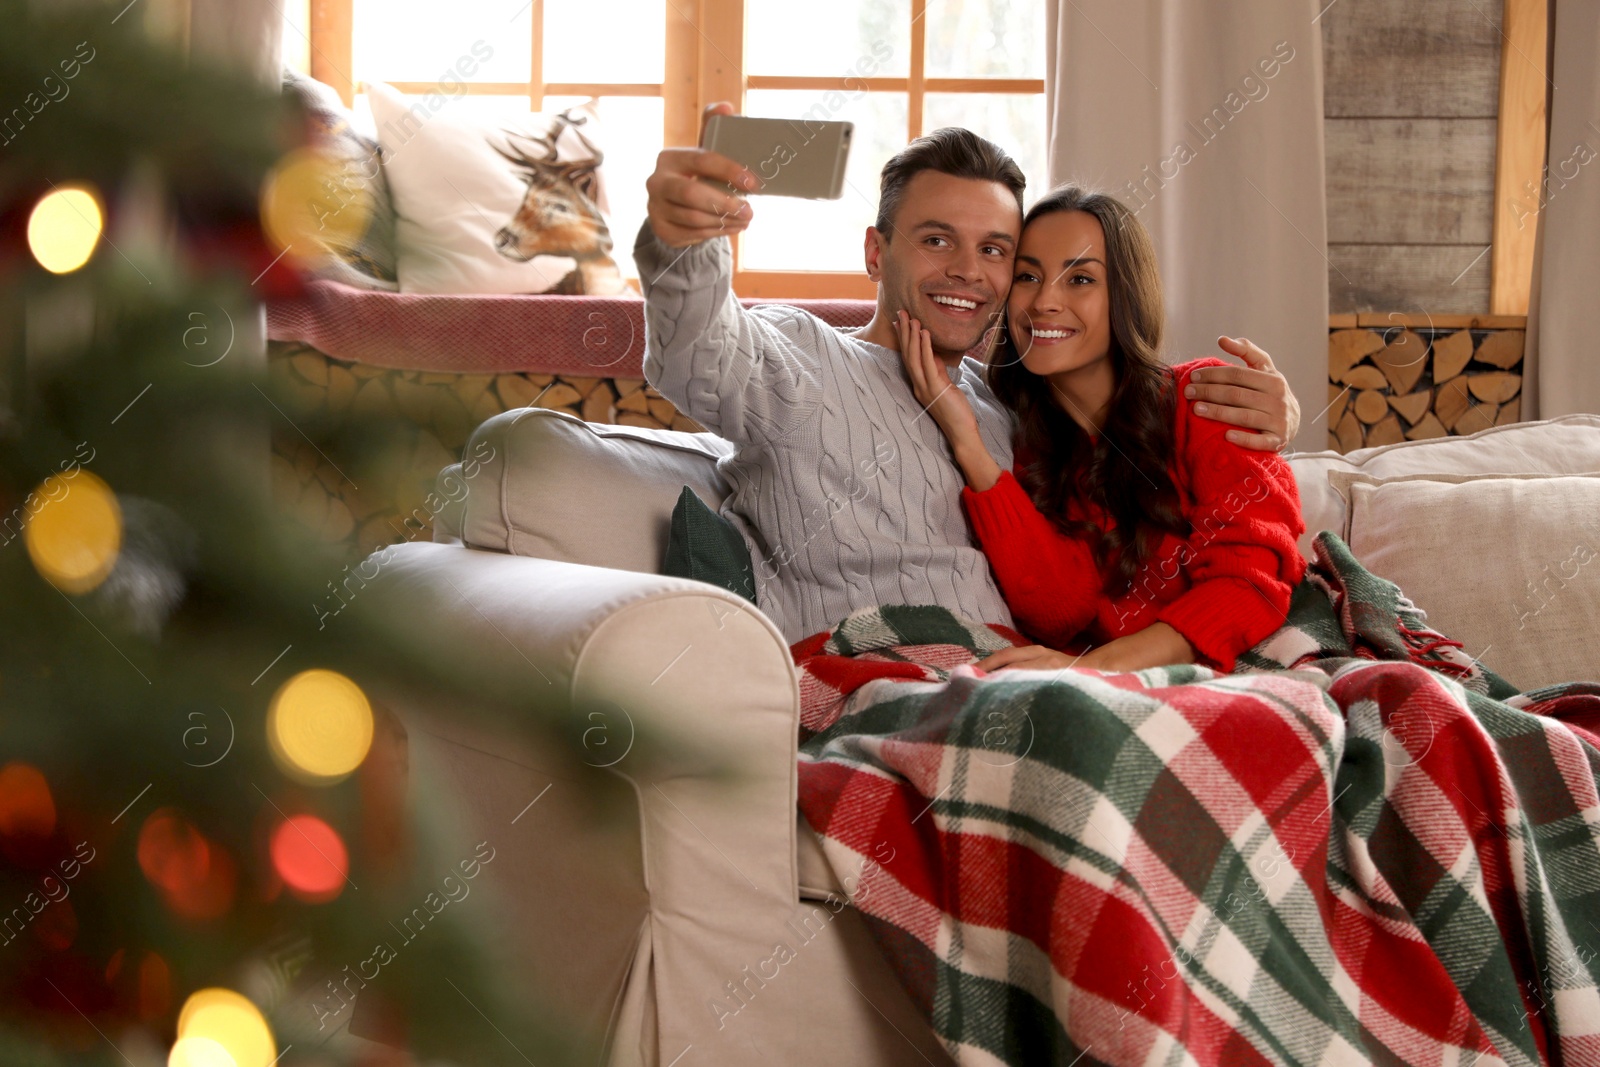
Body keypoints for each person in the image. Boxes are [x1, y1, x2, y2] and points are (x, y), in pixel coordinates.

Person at [637, 106, 1302, 644]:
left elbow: (1110, 539)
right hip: (885, 678)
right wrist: (683, 239)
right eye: (936, 239)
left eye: (994, 250)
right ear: (876, 251)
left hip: (1019, 682)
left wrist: (1275, 417)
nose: (966, 269)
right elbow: (701, 352)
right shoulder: (799, 358)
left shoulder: (1017, 409)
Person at [897, 184, 1306, 673]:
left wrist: (1095, 669)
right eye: (1028, 275)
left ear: (1125, 295)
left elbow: (1248, 585)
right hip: (1099, 683)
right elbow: (1059, 613)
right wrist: (969, 444)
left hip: (1228, 662)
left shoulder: (1204, 400)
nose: (1045, 301)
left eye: (1081, 279)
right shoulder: (1015, 437)